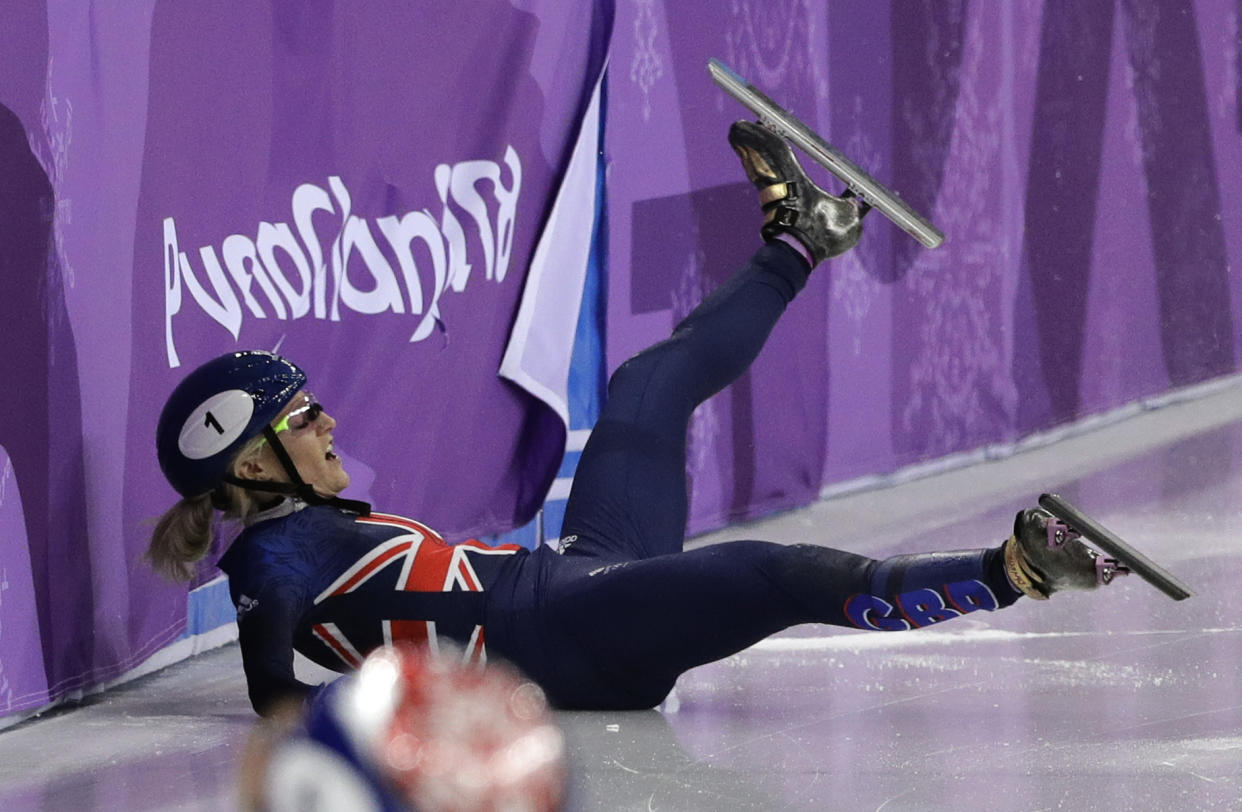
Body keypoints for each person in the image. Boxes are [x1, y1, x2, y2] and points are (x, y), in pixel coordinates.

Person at [150, 121, 1121, 717]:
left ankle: (797, 241)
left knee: (640, 397)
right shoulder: (268, 561)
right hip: (570, 635)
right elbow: (275, 697)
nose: (328, 423)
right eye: (305, 416)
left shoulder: (300, 536)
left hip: (568, 573)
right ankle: (1016, 569)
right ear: (253, 458)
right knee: (768, 572)